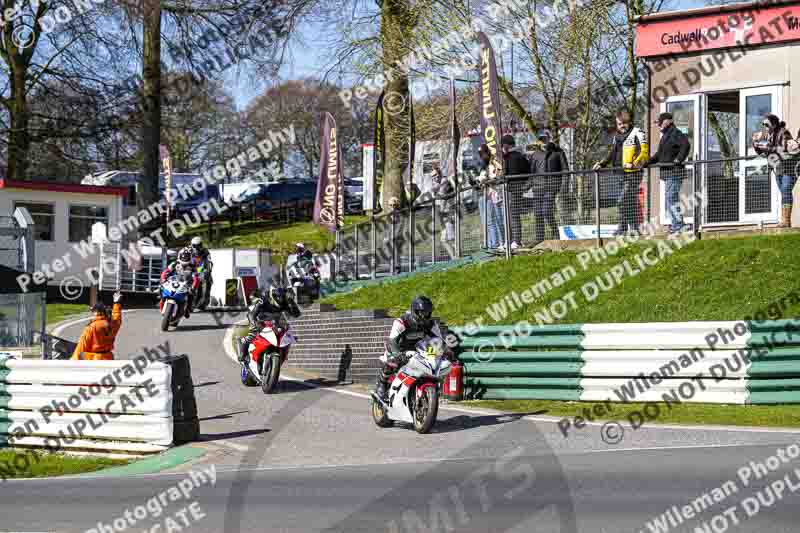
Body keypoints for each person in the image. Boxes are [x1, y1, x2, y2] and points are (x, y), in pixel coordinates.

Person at [374, 295, 444, 401]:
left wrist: (437, 354)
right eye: (422, 312)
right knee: (392, 361)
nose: (425, 316)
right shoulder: (402, 321)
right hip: (398, 348)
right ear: (415, 311)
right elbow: (393, 340)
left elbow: (437, 340)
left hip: (417, 350)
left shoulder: (431, 324)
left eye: (427, 313)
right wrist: (397, 355)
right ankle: (382, 383)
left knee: (433, 366)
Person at [593, 110, 649, 236]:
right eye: (619, 124)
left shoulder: (637, 133)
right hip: (618, 173)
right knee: (629, 201)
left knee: (622, 200)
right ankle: (630, 229)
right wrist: (601, 163)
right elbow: (612, 153)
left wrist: (634, 164)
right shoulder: (616, 136)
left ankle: (626, 227)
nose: (621, 126)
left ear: (629, 122)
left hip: (632, 173)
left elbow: (644, 153)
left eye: (624, 123)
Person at [645, 112, 691, 233]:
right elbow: (659, 155)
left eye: (659, 122)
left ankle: (678, 225)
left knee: (671, 197)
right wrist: (646, 163)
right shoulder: (665, 136)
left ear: (667, 122)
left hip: (674, 172)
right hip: (668, 173)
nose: (658, 125)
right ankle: (677, 224)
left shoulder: (675, 133)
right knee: (670, 198)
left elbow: (686, 145)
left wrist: (678, 159)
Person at [752, 114, 799, 228]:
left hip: (790, 167)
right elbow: (760, 152)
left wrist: (768, 148)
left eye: (766, 124)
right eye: (763, 124)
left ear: (773, 124)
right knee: (784, 192)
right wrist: (755, 144)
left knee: (786, 190)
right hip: (778, 168)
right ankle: (784, 221)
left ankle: (785, 221)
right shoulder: (768, 135)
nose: (764, 126)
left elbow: (784, 149)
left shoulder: (783, 133)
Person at [526, 130, 570, 243]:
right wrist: (526, 187)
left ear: (549, 139)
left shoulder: (558, 152)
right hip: (537, 188)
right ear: (538, 141)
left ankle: (555, 233)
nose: (543, 141)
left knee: (546, 211)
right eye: (541, 139)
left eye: (545, 138)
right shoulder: (535, 154)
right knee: (538, 213)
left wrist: (564, 187)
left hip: (551, 187)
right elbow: (531, 173)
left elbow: (565, 170)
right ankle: (539, 240)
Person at [238, 286, 301, 362]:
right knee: (253, 333)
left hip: (274, 321)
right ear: (272, 296)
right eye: (278, 298)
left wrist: (291, 302)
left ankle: (283, 354)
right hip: (259, 318)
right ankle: (243, 350)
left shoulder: (284, 302)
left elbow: (296, 314)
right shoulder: (264, 300)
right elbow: (252, 315)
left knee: (287, 336)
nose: (280, 300)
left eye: (282, 298)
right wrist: (256, 323)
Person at [71, 291, 123, 361]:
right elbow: (117, 317)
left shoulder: (91, 327)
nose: (91, 313)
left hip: (94, 360)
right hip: (108, 358)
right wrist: (116, 303)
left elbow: (81, 346)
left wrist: (73, 360)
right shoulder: (112, 324)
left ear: (97, 312)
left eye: (93, 311)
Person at [500, 134, 530, 249]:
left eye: (503, 145)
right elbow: (527, 170)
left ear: (506, 145)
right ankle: (511, 240)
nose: (502, 147)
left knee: (513, 215)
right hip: (516, 188)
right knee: (512, 215)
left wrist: (503, 177)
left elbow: (507, 174)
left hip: (513, 189)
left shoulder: (510, 157)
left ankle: (516, 241)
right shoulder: (519, 156)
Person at [476, 144, 505, 250]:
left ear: (487, 152)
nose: (482, 156)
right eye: (480, 154)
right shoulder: (486, 164)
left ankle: (504, 241)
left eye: (483, 153)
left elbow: (499, 173)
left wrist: (489, 179)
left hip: (499, 193)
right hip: (492, 194)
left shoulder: (494, 161)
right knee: (496, 219)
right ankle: (499, 242)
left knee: (501, 219)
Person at [160, 248, 200, 318]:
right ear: (179, 256)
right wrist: (163, 278)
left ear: (190, 257)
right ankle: (161, 302)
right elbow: (166, 271)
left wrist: (193, 287)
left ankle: (187, 309)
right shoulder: (174, 264)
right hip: (173, 282)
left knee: (191, 294)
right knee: (161, 288)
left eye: (187, 256)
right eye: (183, 256)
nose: (184, 258)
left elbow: (196, 278)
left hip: (187, 284)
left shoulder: (193, 267)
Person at [432, 165, 456, 243]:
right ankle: (451, 250)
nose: (434, 177)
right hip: (442, 209)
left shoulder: (444, 180)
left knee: (450, 230)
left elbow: (442, 195)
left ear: (439, 174)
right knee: (443, 237)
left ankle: (456, 250)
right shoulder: (436, 182)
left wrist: (435, 192)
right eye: (432, 176)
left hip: (449, 207)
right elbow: (434, 192)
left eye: (435, 175)